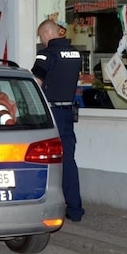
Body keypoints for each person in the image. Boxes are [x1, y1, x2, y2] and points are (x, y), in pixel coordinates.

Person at [31, 19, 85, 222]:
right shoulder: (75, 53)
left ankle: (44, 204)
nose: (41, 40)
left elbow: (36, 83)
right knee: (68, 161)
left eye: (41, 36)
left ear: (46, 34)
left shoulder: (46, 54)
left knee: (44, 159)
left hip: (51, 113)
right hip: (68, 113)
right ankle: (75, 209)